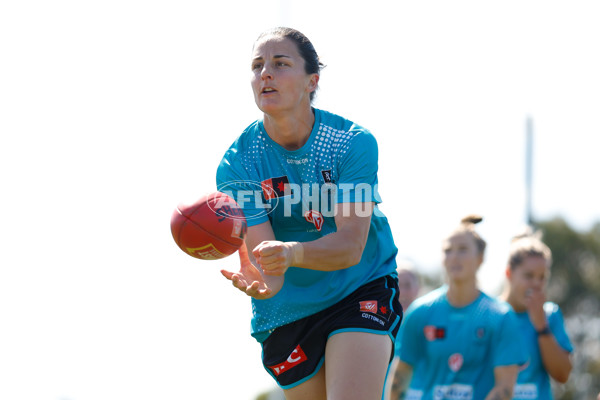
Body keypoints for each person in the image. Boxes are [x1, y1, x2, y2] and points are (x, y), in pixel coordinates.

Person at [216, 27, 402, 400]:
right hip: (288, 311)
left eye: (280, 63)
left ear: (311, 81)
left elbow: (350, 246)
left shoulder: (352, 143)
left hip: (358, 284)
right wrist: (266, 278)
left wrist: (291, 254)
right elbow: (268, 259)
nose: (265, 73)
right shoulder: (237, 165)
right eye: (257, 65)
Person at [394, 215, 527, 400]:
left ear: (480, 257)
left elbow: (504, 389)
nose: (454, 257)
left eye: (463, 250)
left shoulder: (500, 316)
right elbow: (400, 377)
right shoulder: (420, 312)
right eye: (448, 250)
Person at [500, 229, 573, 399]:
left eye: (542, 277)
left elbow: (562, 375)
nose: (536, 284)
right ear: (509, 274)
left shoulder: (550, 315)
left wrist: (542, 327)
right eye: (529, 276)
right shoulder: (490, 315)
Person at [386, 264, 421, 400]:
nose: (401, 292)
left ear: (418, 289)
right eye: (396, 285)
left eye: (407, 285)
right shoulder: (377, 329)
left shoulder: (428, 330)